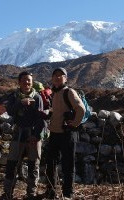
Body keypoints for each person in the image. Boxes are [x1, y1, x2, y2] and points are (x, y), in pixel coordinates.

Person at [0, 71, 45, 200]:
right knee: (12, 164)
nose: (27, 82)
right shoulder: (14, 96)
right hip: (18, 134)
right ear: (19, 82)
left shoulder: (37, 97)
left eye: (29, 80)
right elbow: (10, 111)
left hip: (33, 135)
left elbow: (40, 119)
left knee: (33, 165)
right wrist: (21, 103)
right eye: (24, 80)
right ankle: (7, 194)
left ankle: (31, 194)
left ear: (32, 82)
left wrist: (35, 135)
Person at [43, 67, 85, 199]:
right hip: (55, 133)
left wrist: (76, 123)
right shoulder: (55, 93)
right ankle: (51, 192)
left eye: (60, 75)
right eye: (55, 75)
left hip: (67, 133)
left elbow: (81, 109)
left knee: (68, 165)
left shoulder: (69, 92)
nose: (57, 77)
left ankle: (68, 193)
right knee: (51, 164)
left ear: (66, 78)